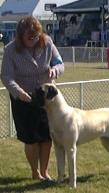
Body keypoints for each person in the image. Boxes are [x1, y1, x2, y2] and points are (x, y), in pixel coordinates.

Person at [0, 16, 64, 181]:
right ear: (20, 36)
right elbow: (7, 76)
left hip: (45, 100)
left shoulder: (47, 42)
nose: (34, 40)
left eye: (36, 36)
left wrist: (55, 70)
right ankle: (35, 172)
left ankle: (45, 172)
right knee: (31, 139)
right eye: (29, 37)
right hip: (23, 99)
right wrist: (19, 92)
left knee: (46, 137)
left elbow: (59, 63)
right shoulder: (10, 50)